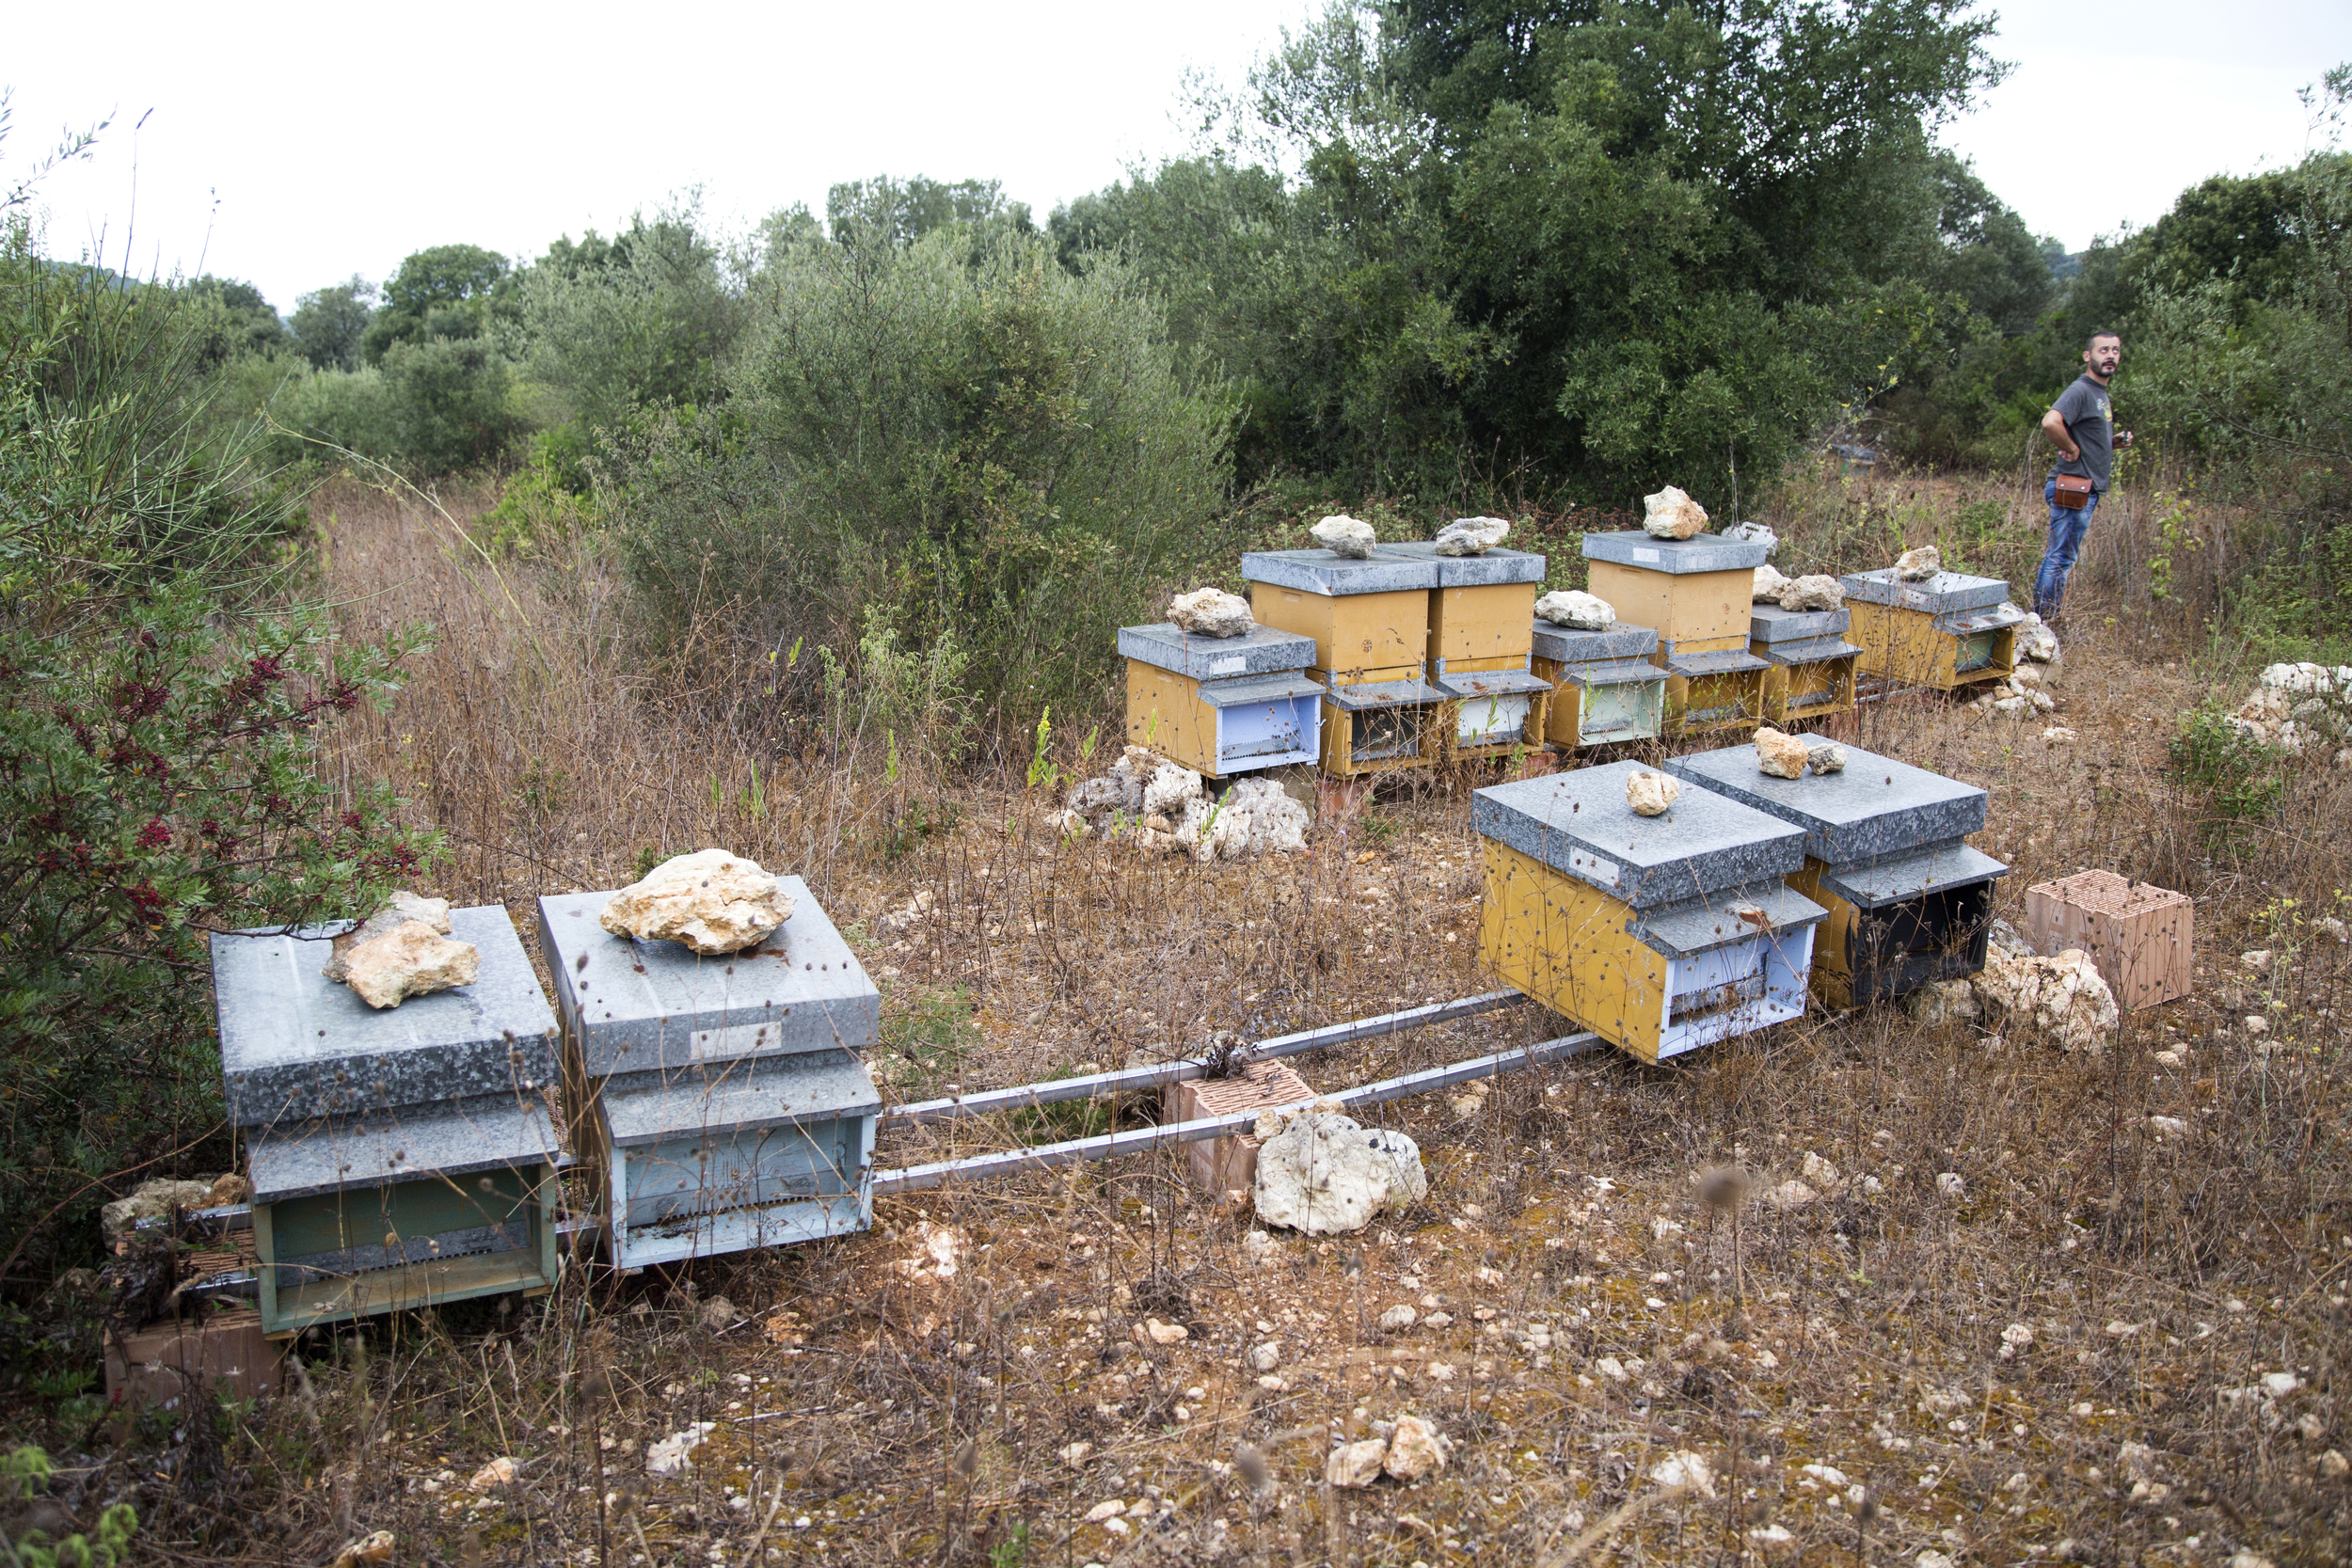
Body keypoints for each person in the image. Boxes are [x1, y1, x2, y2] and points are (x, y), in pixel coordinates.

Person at [2034, 331, 2133, 618]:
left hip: (2085, 488)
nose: (2111, 355)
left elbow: (2087, 436)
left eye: (2115, 350)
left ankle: (2044, 620)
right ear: (2088, 356)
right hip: (2074, 487)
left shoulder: (2099, 393)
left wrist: (2111, 442)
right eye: (2104, 350)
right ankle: (2043, 623)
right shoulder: (2081, 390)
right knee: (2060, 558)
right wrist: (2071, 449)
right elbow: (2051, 422)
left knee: (2062, 557)